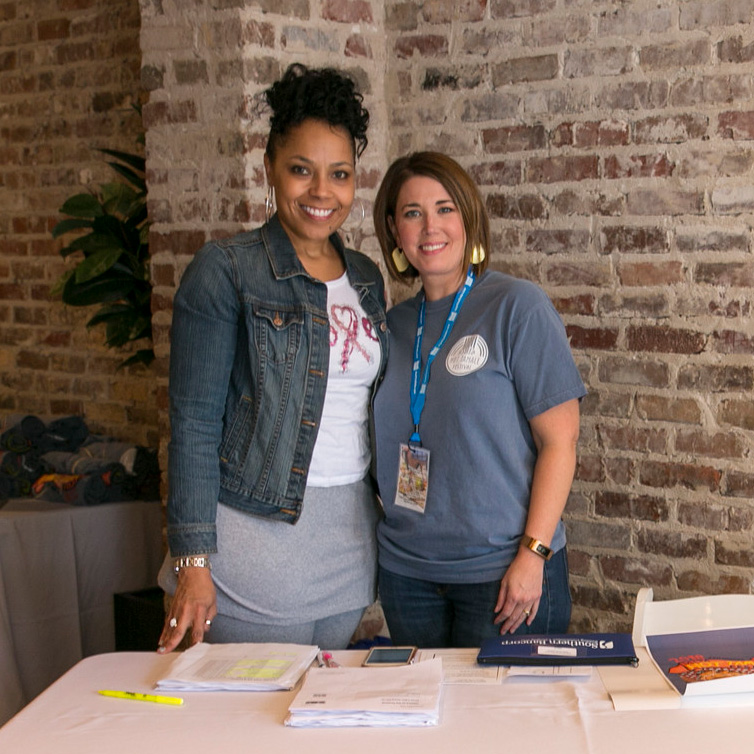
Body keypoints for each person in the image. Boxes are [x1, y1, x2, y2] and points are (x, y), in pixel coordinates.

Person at [157, 63, 388, 653]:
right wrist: (192, 558)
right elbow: (194, 422)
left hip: (348, 536)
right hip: (252, 540)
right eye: (301, 170)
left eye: (339, 174)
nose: (321, 192)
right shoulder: (226, 270)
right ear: (269, 170)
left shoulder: (364, 277)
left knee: (320, 713)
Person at [372, 152, 586, 648]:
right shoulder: (390, 327)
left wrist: (534, 554)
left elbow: (561, 441)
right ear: (394, 231)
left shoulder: (516, 307)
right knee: (424, 723)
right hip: (408, 577)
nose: (430, 227)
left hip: (505, 575)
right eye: (412, 213)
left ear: (469, 219)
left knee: (504, 726)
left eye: (445, 209)